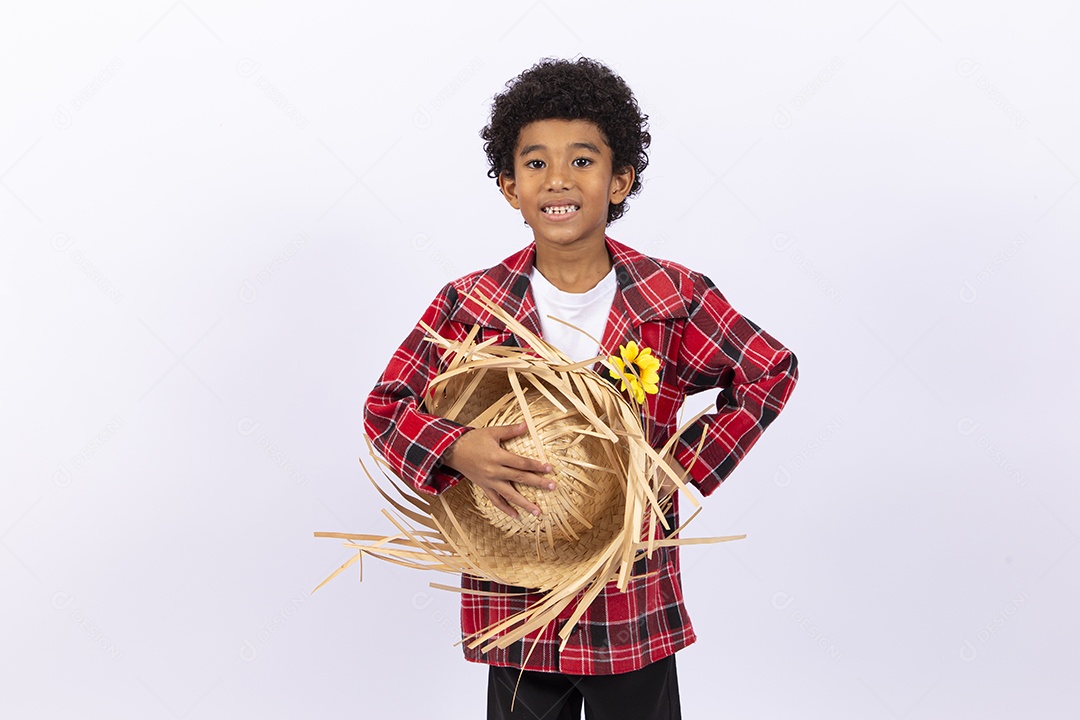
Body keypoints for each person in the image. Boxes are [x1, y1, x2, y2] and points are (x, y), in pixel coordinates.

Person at [364, 57, 799, 720]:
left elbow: (769, 369)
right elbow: (386, 407)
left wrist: (673, 466)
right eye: (535, 164)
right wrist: (457, 448)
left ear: (620, 178)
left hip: (629, 597)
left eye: (583, 161)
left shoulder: (673, 299)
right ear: (509, 186)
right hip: (518, 595)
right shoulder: (472, 304)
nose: (558, 180)